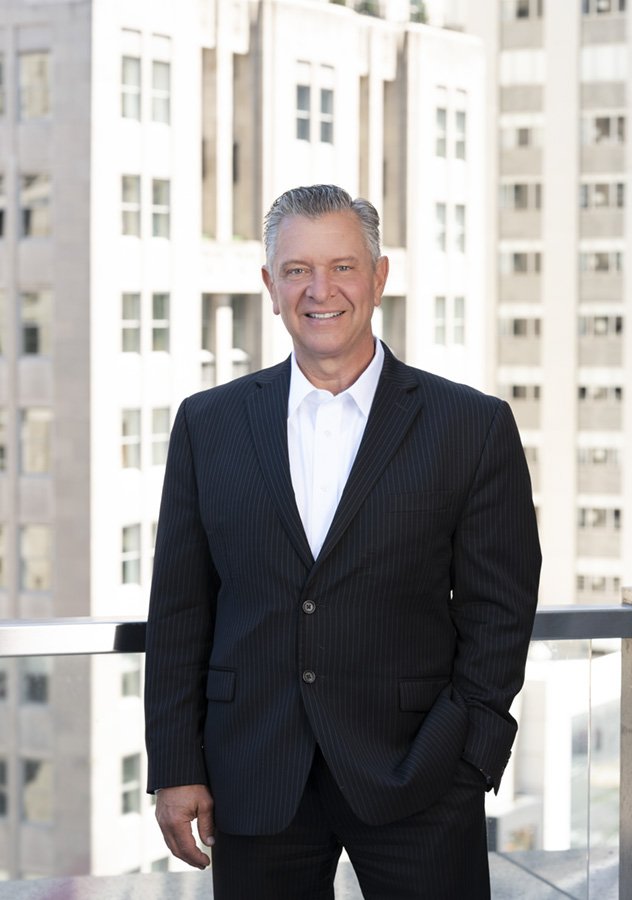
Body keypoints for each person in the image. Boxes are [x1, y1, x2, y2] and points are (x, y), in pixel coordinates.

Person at [144, 184, 541, 899]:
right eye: (296, 269)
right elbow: (179, 610)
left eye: (342, 266)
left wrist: (471, 759)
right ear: (269, 285)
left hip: (419, 774)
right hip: (253, 775)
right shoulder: (208, 424)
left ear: (379, 277)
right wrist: (175, 767)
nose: (319, 290)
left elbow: (499, 610)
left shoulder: (469, 427)